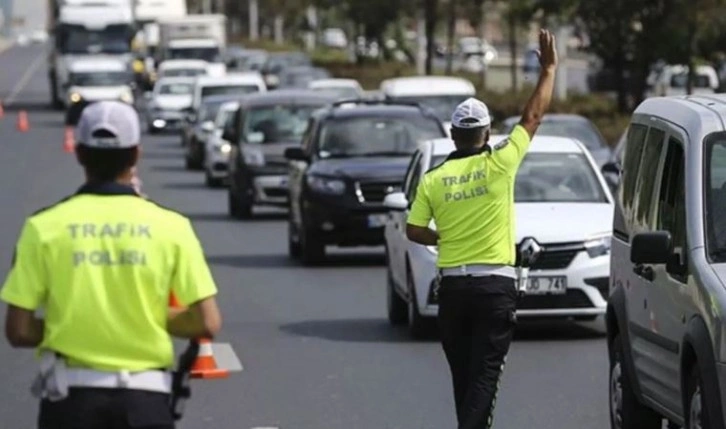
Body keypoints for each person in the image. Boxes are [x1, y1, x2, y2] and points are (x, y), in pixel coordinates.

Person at [1, 101, 222, 429]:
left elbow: (18, 330)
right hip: (146, 402)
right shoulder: (172, 227)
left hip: (71, 401)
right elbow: (207, 322)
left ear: (78, 153)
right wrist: (140, 318)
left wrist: (77, 324)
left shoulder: (43, 227)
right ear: (135, 155)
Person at [405, 29, 558, 429]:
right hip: (494, 290)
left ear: (453, 135)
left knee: (466, 381)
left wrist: (444, 237)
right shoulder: (501, 162)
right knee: (483, 382)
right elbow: (533, 116)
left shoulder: (435, 178)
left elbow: (413, 229)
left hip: (454, 291)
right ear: (487, 133)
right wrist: (549, 70)